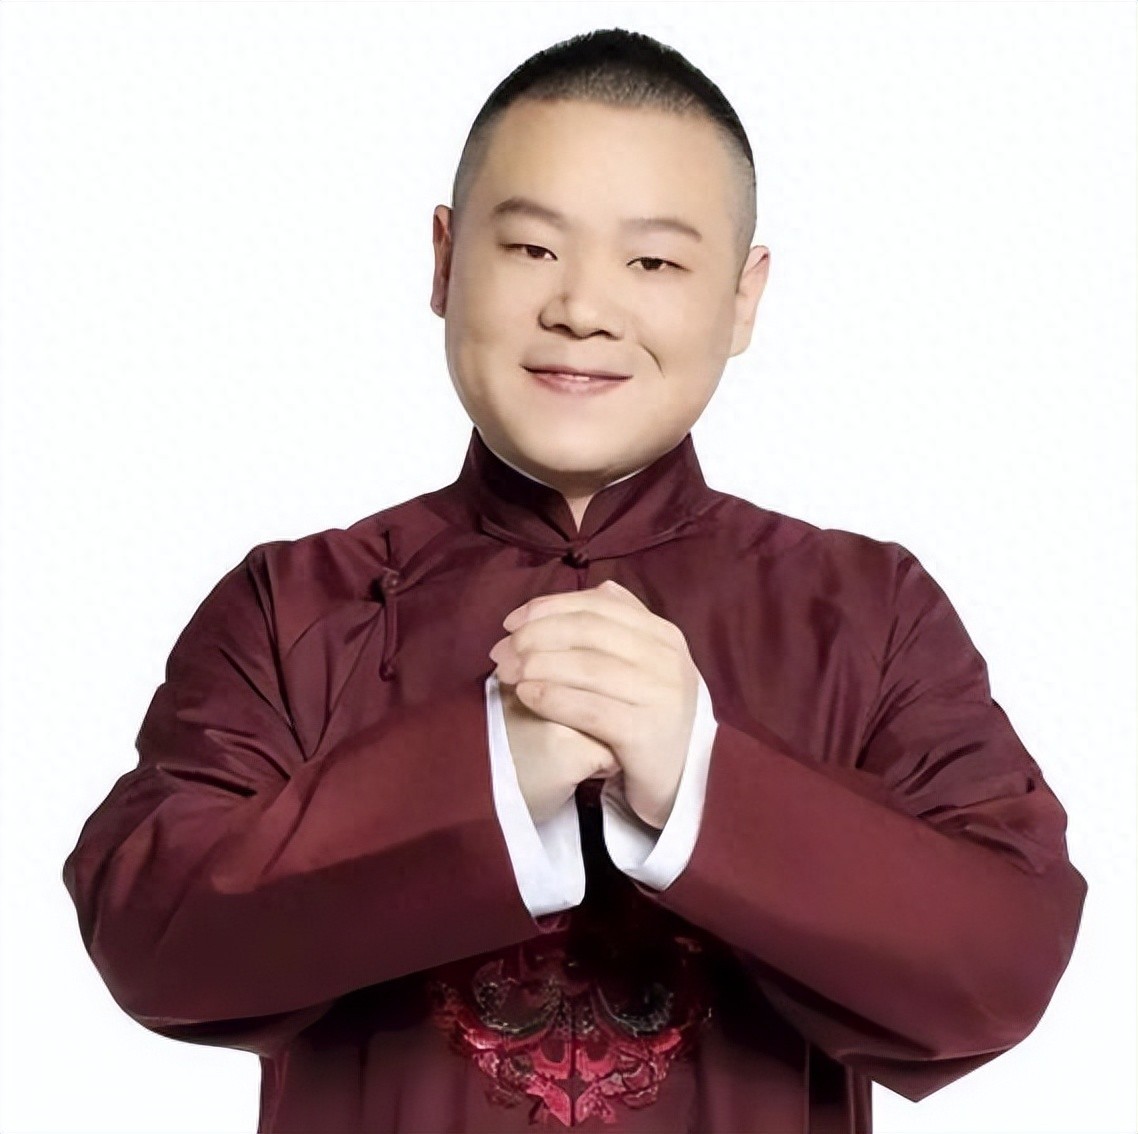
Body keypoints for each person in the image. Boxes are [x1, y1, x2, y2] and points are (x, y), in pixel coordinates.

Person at [61, 26, 1086, 1134]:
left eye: (654, 263)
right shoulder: (293, 602)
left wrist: (699, 780)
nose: (584, 308)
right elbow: (149, 935)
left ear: (743, 298)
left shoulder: (866, 610)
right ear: (445, 260)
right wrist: (488, 771)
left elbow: (1003, 962)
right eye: (532, 248)